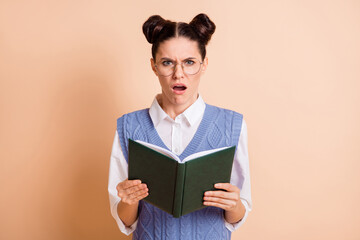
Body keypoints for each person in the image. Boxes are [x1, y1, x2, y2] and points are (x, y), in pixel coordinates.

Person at [108, 13, 252, 240]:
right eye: (167, 63)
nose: (178, 74)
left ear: (204, 65)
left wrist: (233, 205)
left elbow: (237, 216)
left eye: (189, 62)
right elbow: (125, 221)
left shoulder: (231, 126)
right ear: (154, 66)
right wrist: (129, 201)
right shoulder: (129, 127)